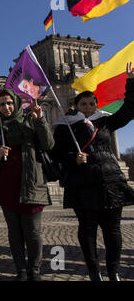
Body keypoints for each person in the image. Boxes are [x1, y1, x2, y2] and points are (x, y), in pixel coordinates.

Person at [52, 62, 134, 281]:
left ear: (96, 105)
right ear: (76, 105)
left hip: (110, 183)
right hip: (82, 184)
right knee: (87, 230)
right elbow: (57, 153)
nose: (87, 107)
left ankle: (114, 271)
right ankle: (93, 271)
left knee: (113, 231)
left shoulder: (105, 122)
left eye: (91, 103)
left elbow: (129, 109)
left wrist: (131, 82)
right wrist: (73, 158)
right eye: (83, 103)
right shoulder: (66, 126)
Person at [0, 89, 54, 281]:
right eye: (2, 104)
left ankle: (34, 270)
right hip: (6, 183)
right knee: (14, 231)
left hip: (31, 180)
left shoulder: (30, 120)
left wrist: (40, 120)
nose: (6, 107)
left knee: (33, 231)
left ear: (16, 103)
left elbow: (48, 145)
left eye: (9, 103)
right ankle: (20, 270)